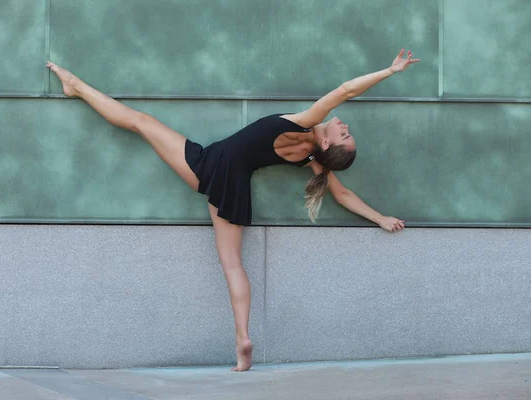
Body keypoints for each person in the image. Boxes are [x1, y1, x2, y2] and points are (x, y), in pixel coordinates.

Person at [47, 48, 420, 372]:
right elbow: (344, 196)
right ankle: (242, 337)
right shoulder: (310, 157)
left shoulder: (306, 124)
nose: (344, 124)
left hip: (212, 164)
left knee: (141, 122)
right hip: (235, 185)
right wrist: (381, 218)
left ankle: (76, 86)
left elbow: (345, 90)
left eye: (343, 133)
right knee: (232, 264)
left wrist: (389, 72)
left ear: (325, 142)